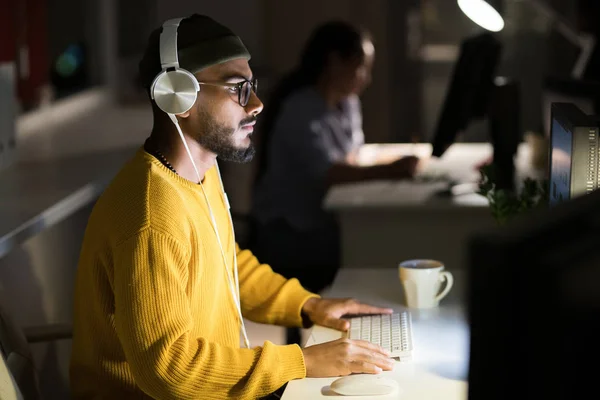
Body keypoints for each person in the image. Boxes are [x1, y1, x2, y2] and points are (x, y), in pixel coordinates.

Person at [69, 14, 397, 400]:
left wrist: (309, 305)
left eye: (252, 86)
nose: (257, 104)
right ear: (179, 96)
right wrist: (303, 362)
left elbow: (225, 265)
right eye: (237, 88)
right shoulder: (151, 214)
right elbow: (169, 369)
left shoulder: (196, 176)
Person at [250, 21, 419, 330]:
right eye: (360, 68)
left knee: (378, 243)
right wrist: (394, 169)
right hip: (289, 231)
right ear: (334, 62)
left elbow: (353, 155)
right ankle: (356, 331)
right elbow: (329, 173)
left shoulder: (346, 103)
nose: (366, 79)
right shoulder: (300, 109)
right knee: (375, 251)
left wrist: (389, 163)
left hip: (322, 220)